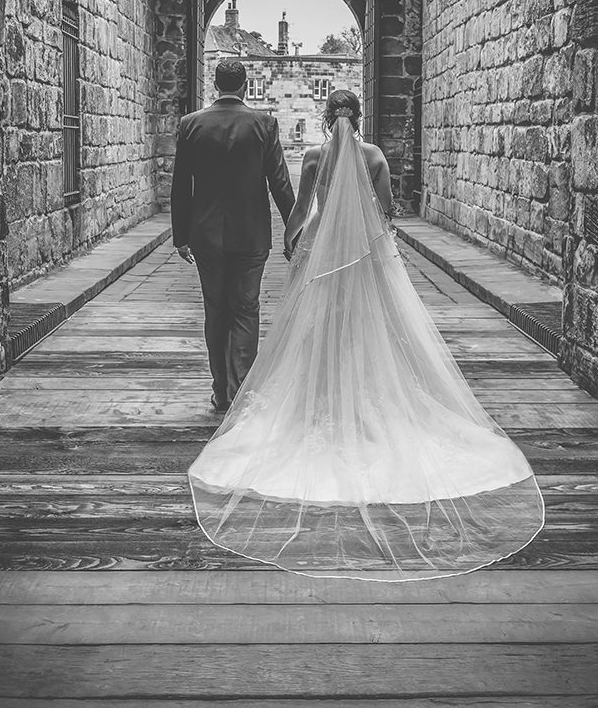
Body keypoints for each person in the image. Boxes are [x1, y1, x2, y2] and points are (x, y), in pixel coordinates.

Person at [188, 89, 545, 581]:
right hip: (366, 255)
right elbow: (387, 208)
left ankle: (319, 396)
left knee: (317, 329)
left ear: (324, 116)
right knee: (370, 325)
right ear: (358, 116)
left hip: (322, 257)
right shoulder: (374, 156)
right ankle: (370, 392)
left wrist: (292, 241)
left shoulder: (314, 156)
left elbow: (301, 210)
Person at [171, 59, 295, 412]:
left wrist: (181, 234)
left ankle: (220, 389)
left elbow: (181, 184)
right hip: (251, 233)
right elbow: (280, 183)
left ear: (215, 85)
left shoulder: (191, 125)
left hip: (205, 234)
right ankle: (241, 389)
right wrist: (295, 228)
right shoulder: (264, 124)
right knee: (246, 308)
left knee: (216, 309)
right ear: (244, 86)